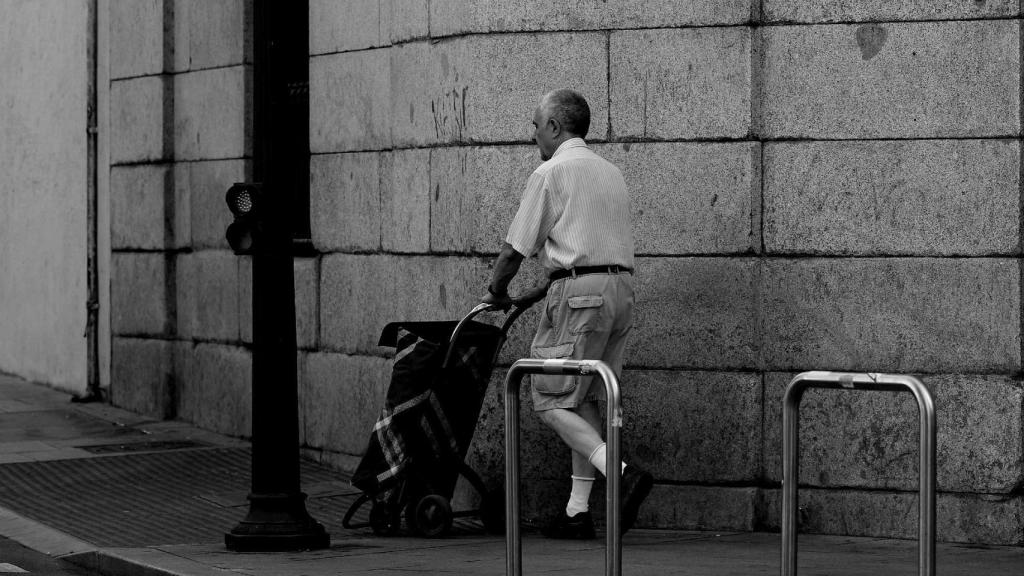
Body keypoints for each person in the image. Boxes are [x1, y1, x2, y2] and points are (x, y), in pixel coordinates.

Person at [482, 88, 653, 539]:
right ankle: (578, 513)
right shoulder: (610, 172)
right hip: (620, 291)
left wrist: (496, 290)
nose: (533, 133)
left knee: (551, 397)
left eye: (536, 125)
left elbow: (513, 249)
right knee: (588, 397)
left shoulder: (550, 172)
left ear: (555, 128)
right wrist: (553, 282)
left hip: (581, 298)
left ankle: (619, 473)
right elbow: (591, 244)